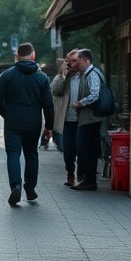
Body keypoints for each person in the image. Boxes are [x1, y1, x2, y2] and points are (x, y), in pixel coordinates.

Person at [0, 42, 54, 206]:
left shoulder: (7, 75)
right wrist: (49, 126)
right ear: (33, 55)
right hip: (33, 122)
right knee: (32, 154)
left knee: (13, 154)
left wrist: (7, 114)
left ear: (17, 56)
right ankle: (30, 188)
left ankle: (16, 186)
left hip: (13, 122)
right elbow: (48, 104)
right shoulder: (42, 78)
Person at [70, 48, 104, 191]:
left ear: (86, 59)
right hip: (88, 118)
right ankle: (88, 179)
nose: (77, 64)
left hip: (91, 118)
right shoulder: (87, 74)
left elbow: (95, 94)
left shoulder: (92, 74)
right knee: (87, 148)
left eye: (78, 61)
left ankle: (89, 180)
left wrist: (80, 103)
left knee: (85, 148)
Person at [51, 49, 80, 186]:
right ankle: (70, 174)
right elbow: (55, 90)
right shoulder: (64, 77)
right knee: (67, 149)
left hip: (82, 119)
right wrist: (62, 74)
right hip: (67, 120)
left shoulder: (85, 75)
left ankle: (82, 175)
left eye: (74, 61)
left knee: (82, 148)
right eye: (68, 62)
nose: (71, 64)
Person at [50, 58, 71, 152]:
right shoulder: (59, 78)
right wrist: (63, 76)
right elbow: (55, 90)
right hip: (61, 117)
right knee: (62, 145)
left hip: (72, 115)